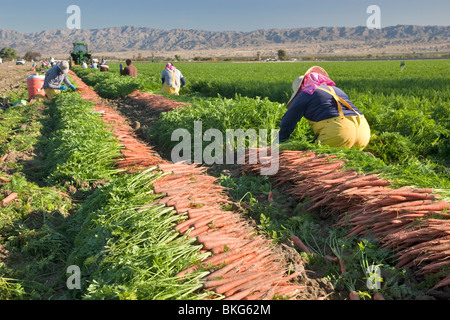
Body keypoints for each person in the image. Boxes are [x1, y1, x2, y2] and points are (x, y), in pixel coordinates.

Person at [279, 66, 371, 150]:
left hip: (338, 131)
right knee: (347, 161)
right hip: (363, 130)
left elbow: (289, 119)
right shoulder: (337, 90)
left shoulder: (306, 92)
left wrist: (281, 139)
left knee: (312, 161)